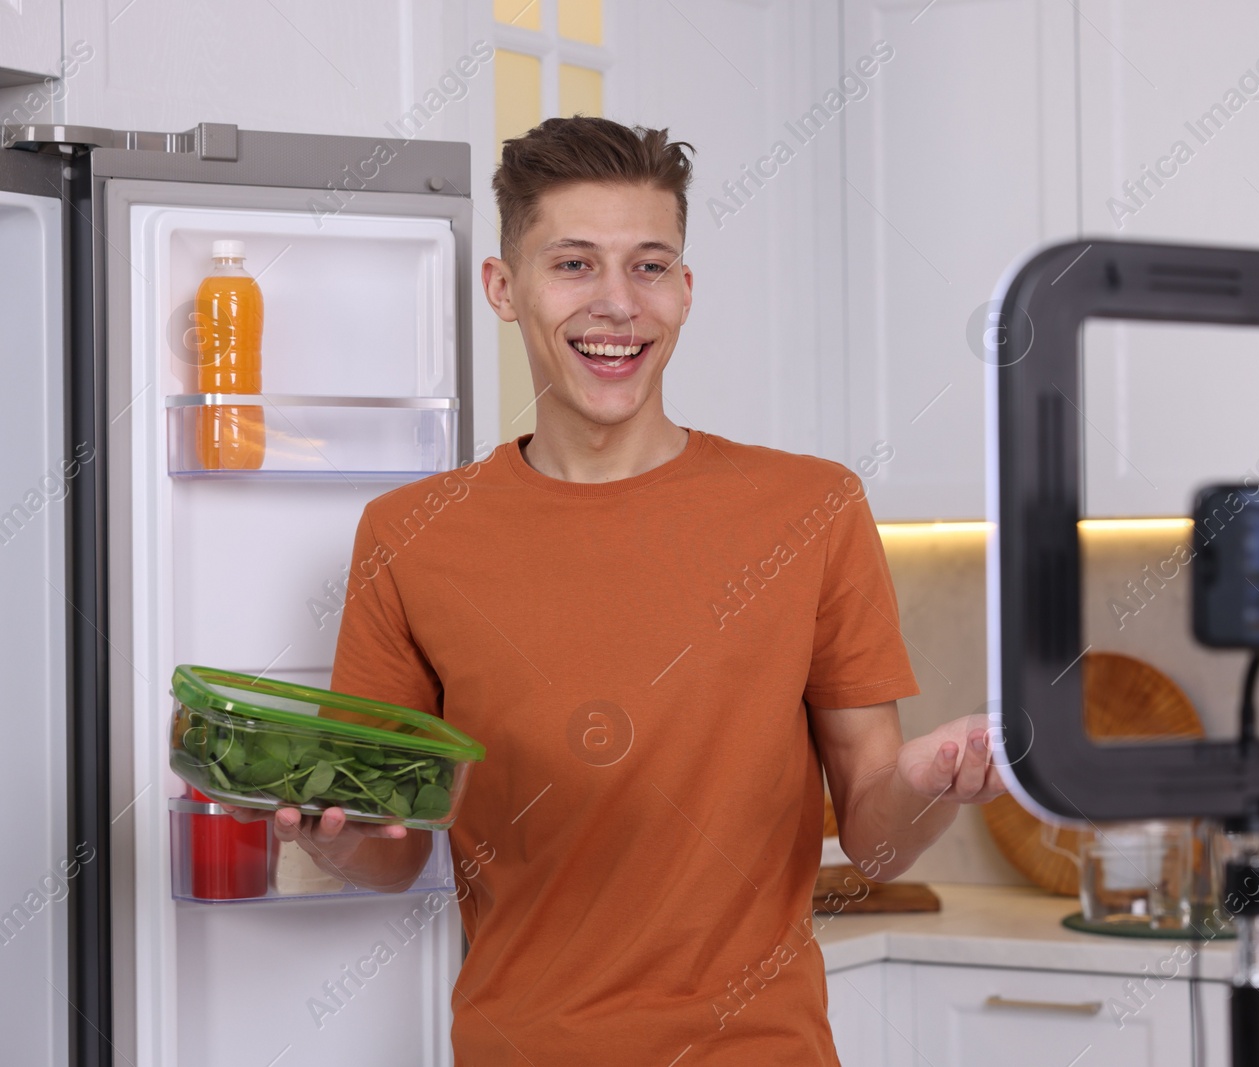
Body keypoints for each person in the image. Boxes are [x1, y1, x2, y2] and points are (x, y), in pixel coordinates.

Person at [234, 116, 1006, 1065]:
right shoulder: (409, 535)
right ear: (503, 289)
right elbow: (395, 849)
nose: (616, 305)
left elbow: (879, 843)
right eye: (572, 265)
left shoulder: (812, 507)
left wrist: (929, 782)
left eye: (648, 266)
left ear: (685, 290)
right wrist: (333, 836)